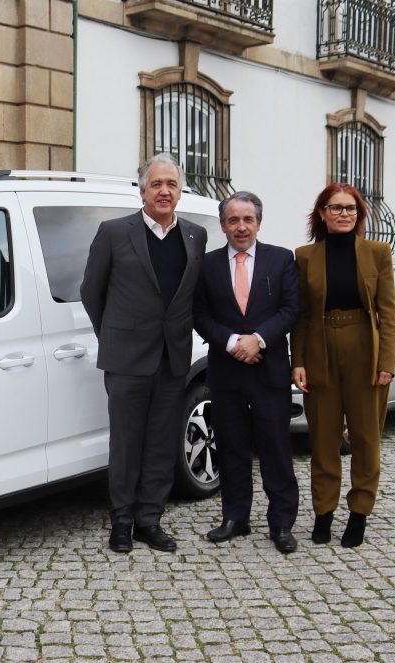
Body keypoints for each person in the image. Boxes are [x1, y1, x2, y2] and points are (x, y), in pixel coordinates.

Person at [80, 153, 208, 553]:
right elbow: (91, 291)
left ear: (180, 191)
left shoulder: (195, 236)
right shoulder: (114, 232)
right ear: (142, 191)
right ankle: (121, 522)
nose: (164, 191)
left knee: (161, 443)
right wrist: (113, 335)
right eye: (156, 184)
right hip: (126, 360)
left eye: (171, 184)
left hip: (173, 358)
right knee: (126, 444)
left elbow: (191, 296)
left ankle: (149, 520)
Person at [192, 191, 301, 554]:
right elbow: (199, 314)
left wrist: (258, 340)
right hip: (226, 372)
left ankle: (281, 523)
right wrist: (232, 343)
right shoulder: (207, 265)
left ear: (259, 223)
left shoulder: (281, 259)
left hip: (269, 370)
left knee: (275, 448)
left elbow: (291, 309)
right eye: (233, 220)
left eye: (248, 219)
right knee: (231, 447)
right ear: (223, 225)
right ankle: (235, 518)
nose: (241, 227)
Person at [291, 183, 395, 548]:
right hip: (319, 349)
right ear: (322, 213)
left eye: (351, 208)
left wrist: (386, 362)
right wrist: (298, 361)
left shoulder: (377, 253)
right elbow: (301, 316)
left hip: (365, 352)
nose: (344, 214)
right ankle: (323, 513)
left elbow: (387, 313)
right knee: (323, 438)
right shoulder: (305, 256)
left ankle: (359, 513)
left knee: (366, 439)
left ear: (359, 214)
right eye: (336, 208)